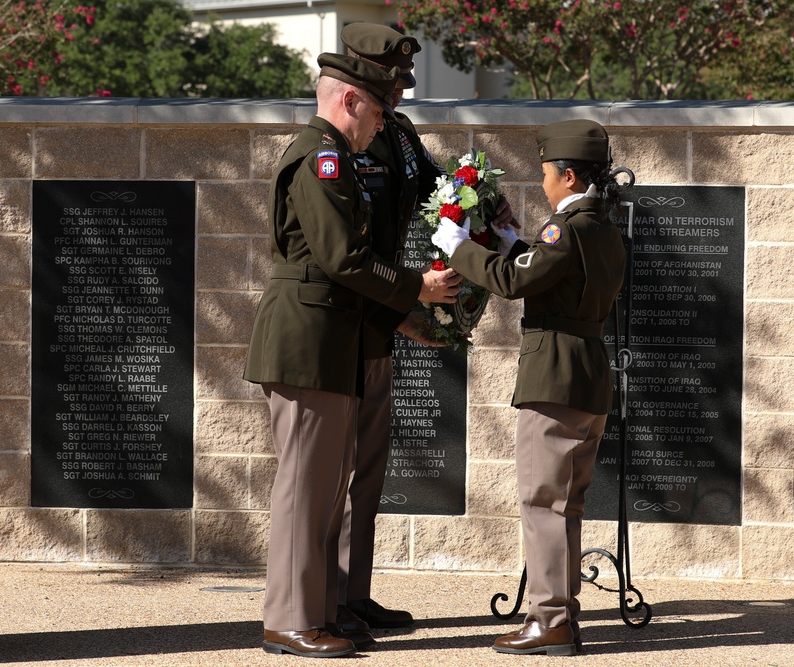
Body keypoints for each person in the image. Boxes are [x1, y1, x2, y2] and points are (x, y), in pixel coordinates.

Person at [243, 52, 461, 659]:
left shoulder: (338, 155)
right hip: (307, 340)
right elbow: (341, 258)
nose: (382, 125)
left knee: (326, 485)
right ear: (351, 101)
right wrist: (416, 286)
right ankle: (288, 619)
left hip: (330, 340)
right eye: (378, 110)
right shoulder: (323, 158)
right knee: (304, 488)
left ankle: (314, 612)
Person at [431, 119, 627, 656]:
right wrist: (513, 239)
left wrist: (457, 246)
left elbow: (516, 281)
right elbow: (551, 274)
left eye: (545, 173)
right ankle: (561, 612)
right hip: (587, 376)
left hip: (553, 379)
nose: (542, 183)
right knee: (567, 504)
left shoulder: (564, 229)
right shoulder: (602, 228)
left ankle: (549, 619)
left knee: (543, 503)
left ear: (567, 176)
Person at [333, 22, 443, 638]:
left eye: (402, 82)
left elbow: (436, 186)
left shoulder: (397, 135)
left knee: (368, 470)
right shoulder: (341, 142)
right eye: (390, 83)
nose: (399, 94)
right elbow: (342, 254)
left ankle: (354, 591)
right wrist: (405, 306)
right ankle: (324, 598)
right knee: (332, 472)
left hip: (381, 319)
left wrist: (482, 205)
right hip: (353, 316)